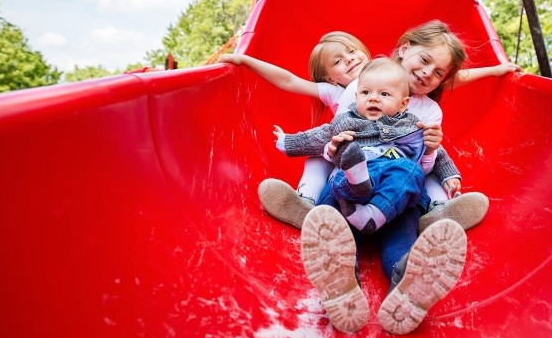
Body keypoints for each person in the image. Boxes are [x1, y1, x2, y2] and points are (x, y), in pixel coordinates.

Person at [221, 25, 516, 230]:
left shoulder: (425, 103)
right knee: (322, 152)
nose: (428, 73)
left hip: (396, 164)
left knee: (428, 155)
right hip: (354, 162)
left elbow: (451, 76)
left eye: (437, 72)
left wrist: (496, 70)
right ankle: (305, 204)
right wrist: (245, 59)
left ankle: (440, 212)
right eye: (339, 61)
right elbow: (289, 81)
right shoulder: (361, 82)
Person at [276, 57, 455, 234]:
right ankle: (323, 224)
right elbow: (319, 136)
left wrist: (450, 176)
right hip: (348, 193)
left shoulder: (410, 125)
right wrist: (287, 141)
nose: (373, 99)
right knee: (335, 208)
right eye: (366, 93)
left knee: (409, 173)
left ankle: (399, 255)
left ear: (403, 104)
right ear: (356, 96)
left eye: (384, 94)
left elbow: (436, 149)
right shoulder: (347, 122)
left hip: (390, 191)